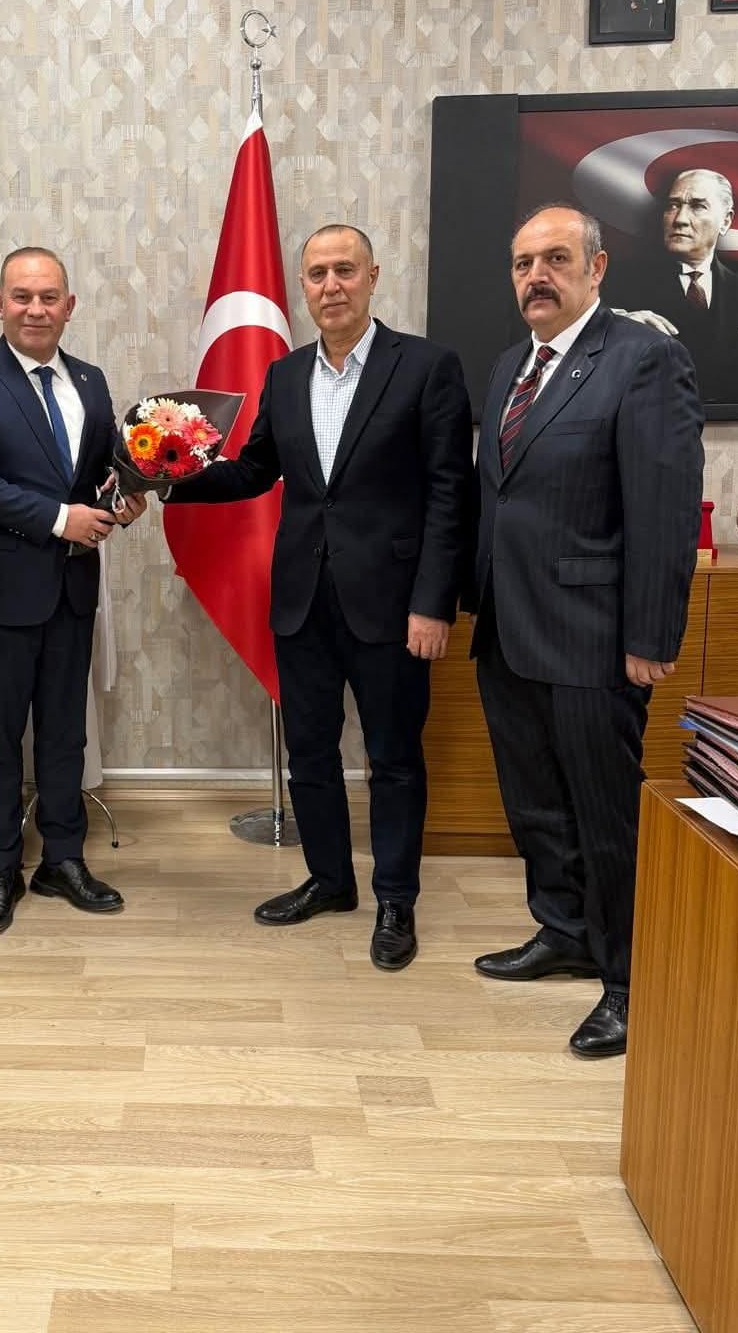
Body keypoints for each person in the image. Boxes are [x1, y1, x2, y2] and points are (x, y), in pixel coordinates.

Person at [166, 224, 472, 969]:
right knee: (309, 752)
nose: (330, 286)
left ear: (373, 277)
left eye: (344, 270)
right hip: (301, 599)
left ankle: (395, 899)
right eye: (316, 274)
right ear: (302, 287)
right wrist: (168, 474)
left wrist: (434, 603)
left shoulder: (426, 367)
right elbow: (254, 470)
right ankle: (330, 881)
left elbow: (451, 494)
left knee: (393, 758)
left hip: (393, 606)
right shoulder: (285, 375)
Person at [471, 204, 703, 1058]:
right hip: (509, 629)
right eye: (523, 262)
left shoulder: (643, 358)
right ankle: (563, 931)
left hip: (594, 636)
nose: (537, 276)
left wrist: (652, 635)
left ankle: (630, 982)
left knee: (604, 817)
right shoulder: (510, 366)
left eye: (556, 258)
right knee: (535, 804)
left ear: (596, 268)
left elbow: (665, 505)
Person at [0, 247, 143, 938]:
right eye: (21, 296)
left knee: (63, 733)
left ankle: (62, 859)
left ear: (69, 306)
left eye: (49, 297)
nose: (35, 309)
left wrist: (125, 498)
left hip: (72, 591)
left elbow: (100, 473)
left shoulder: (90, 380)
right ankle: (1, 869)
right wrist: (62, 520)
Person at [606, 168, 738, 405]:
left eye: (698, 206)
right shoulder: (618, 279)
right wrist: (616, 325)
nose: (679, 219)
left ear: (726, 221)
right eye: (673, 205)